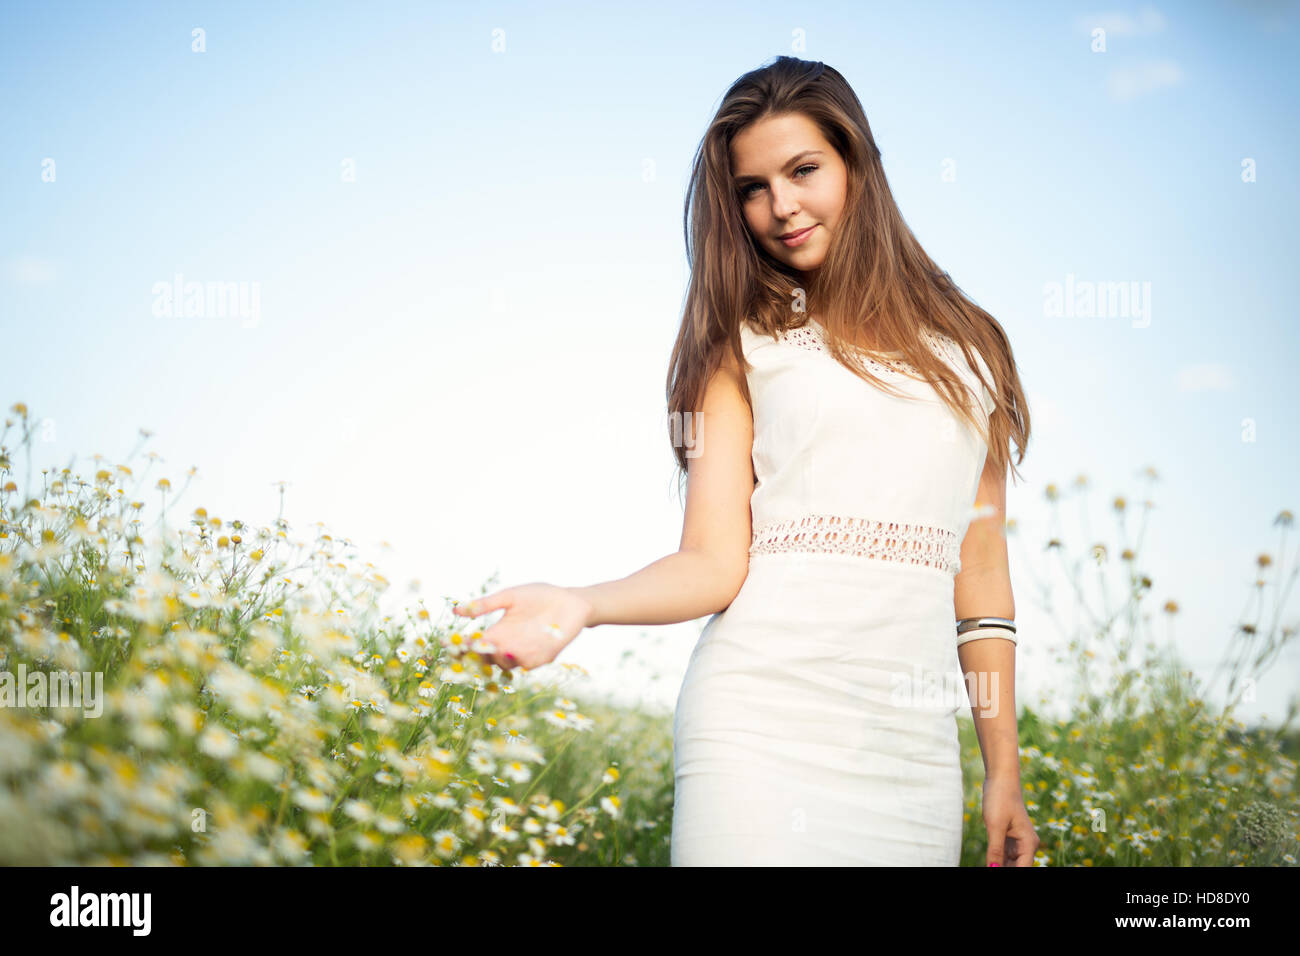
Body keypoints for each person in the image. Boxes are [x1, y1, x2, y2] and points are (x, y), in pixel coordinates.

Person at [453, 56, 1039, 867]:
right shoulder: (736, 347)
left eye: (803, 171)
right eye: (752, 189)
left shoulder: (971, 352)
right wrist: (582, 603)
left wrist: (1001, 771)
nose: (780, 207)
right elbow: (712, 564)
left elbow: (979, 577)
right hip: (757, 724)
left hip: (910, 755)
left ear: (857, 165)